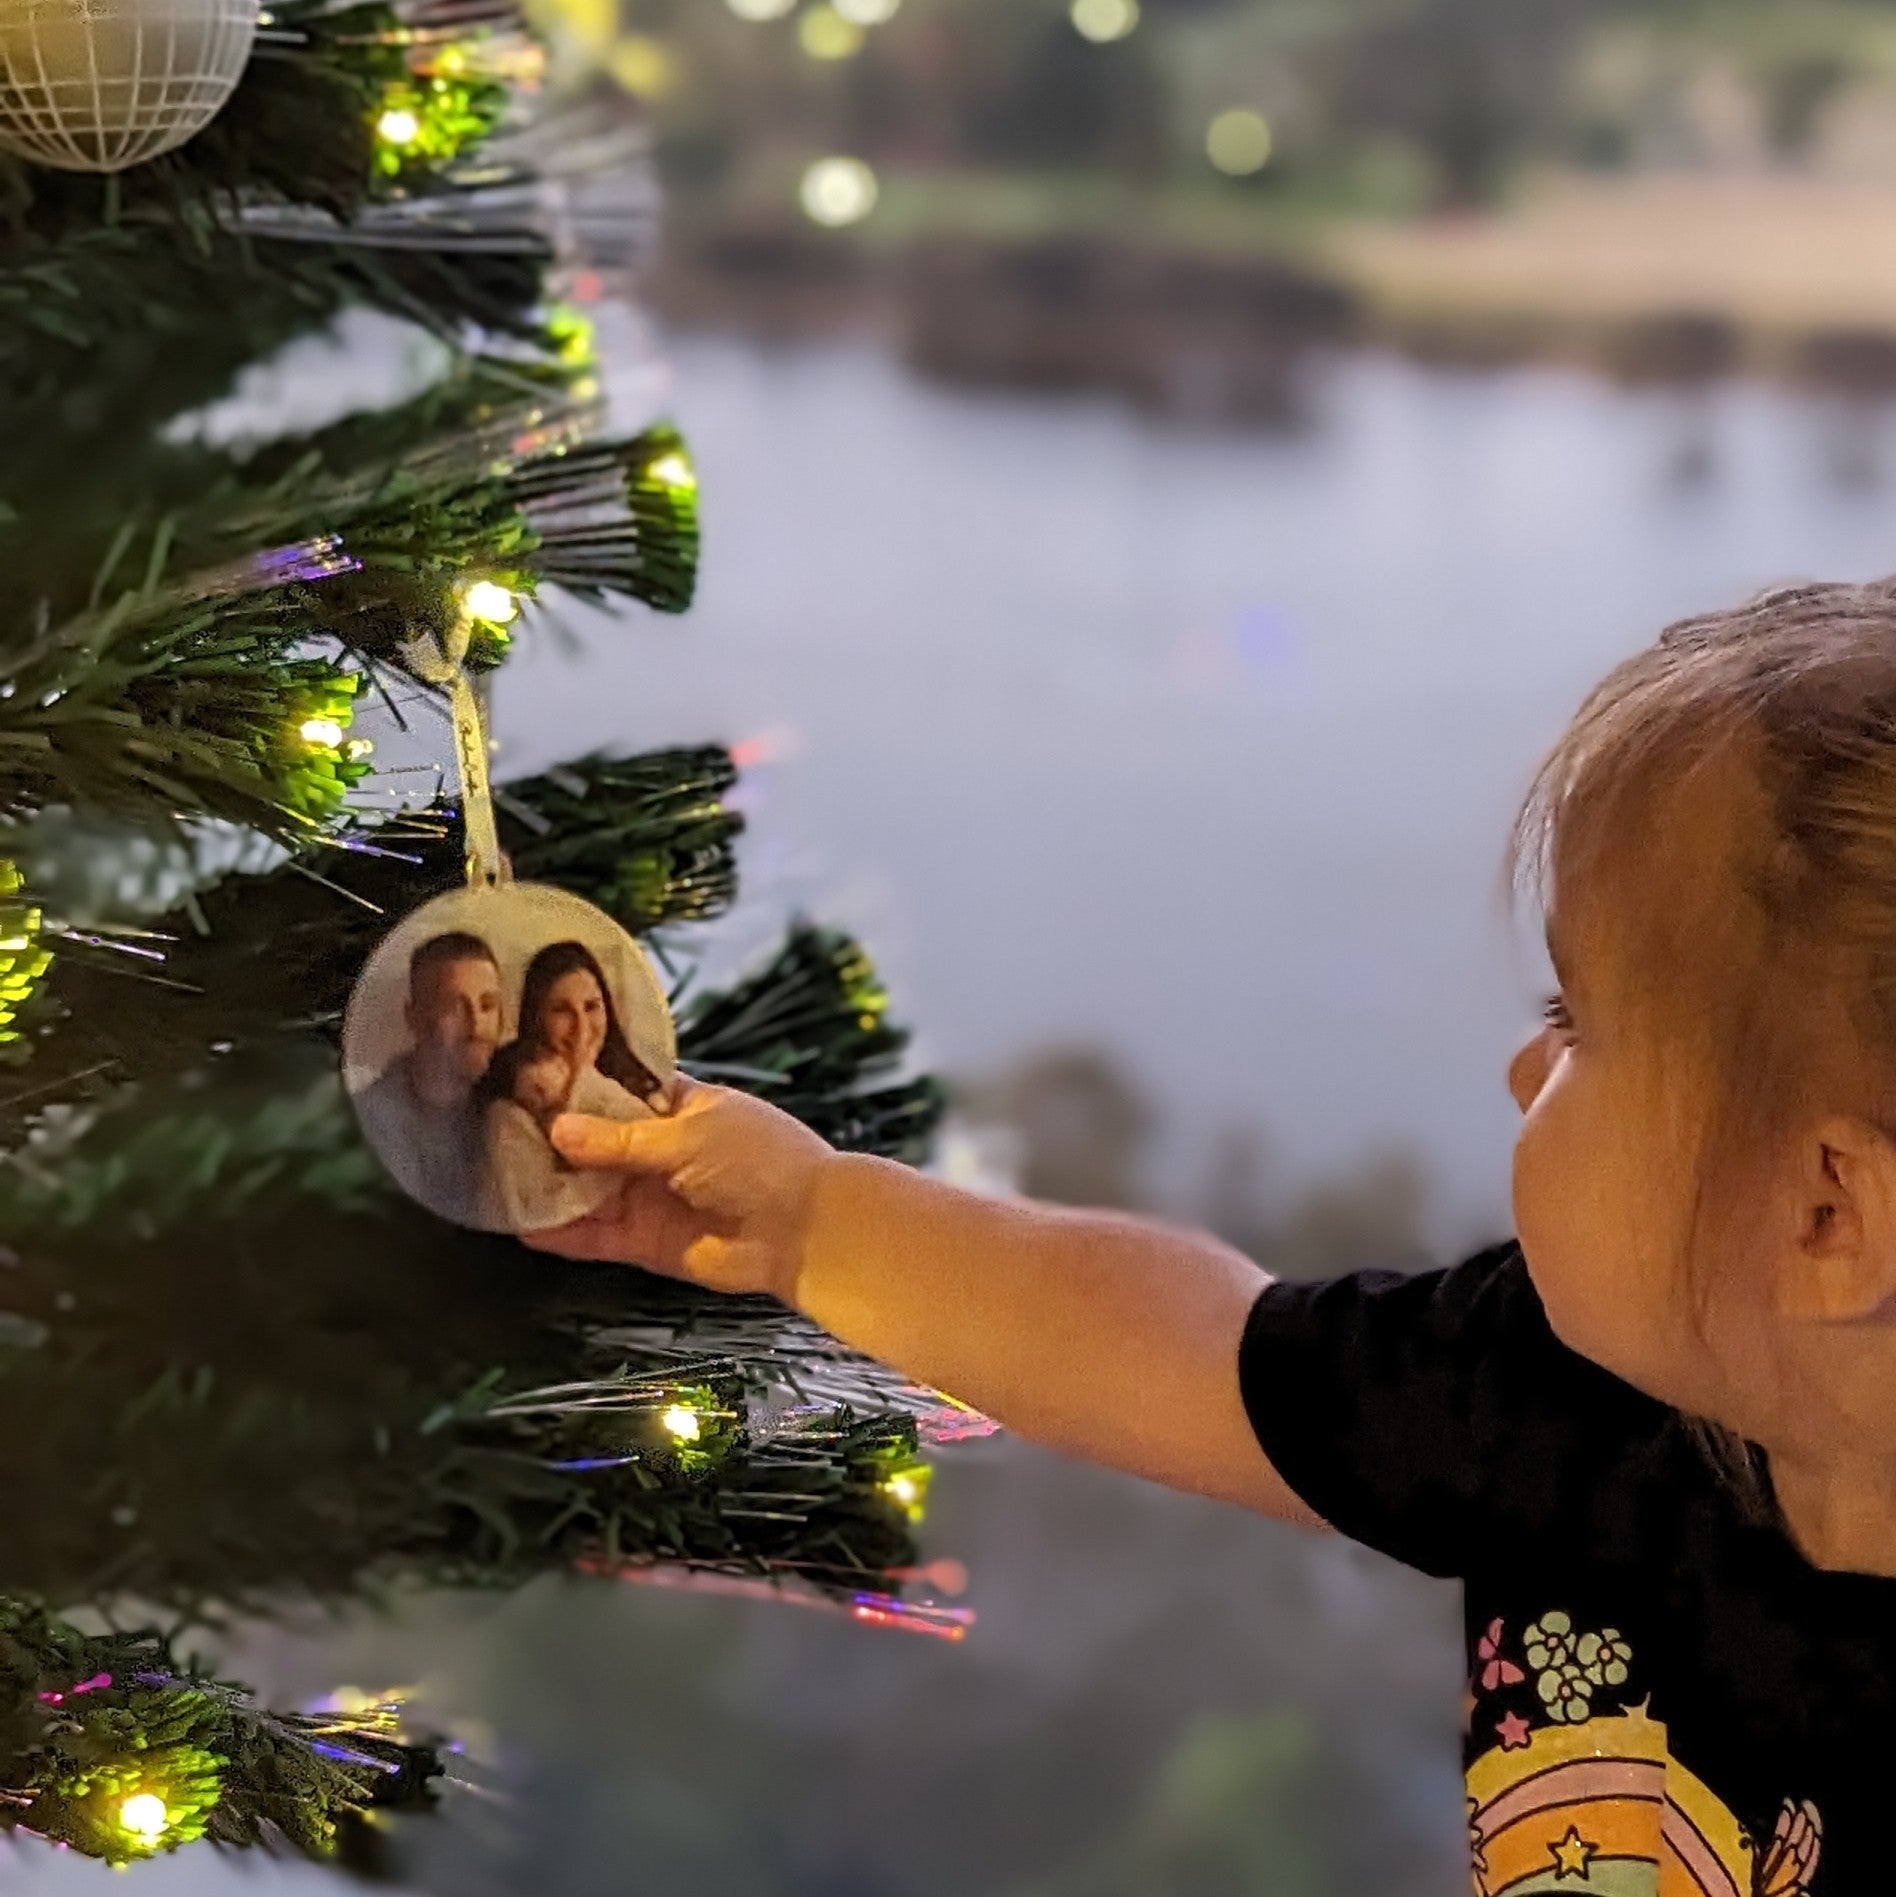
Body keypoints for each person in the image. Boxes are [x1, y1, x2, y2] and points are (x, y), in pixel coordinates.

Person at [525, 578, 1896, 1892]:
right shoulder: (1559, 1396)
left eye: (1581, 1027)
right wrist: (809, 1222)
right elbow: (1183, 1349)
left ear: (1825, 1211)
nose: (1525, 1072)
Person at [475, 939, 666, 1233]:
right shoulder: (509, 1113)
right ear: (537, 1019)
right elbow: (538, 1213)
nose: (582, 1026)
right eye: (561, 1010)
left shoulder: (640, 1086)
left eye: (591, 1006)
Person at [354, 930, 503, 1226]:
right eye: (454, 1007)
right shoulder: (366, 1128)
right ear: (415, 1018)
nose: (476, 1026)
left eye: (487, 1005)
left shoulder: (509, 1107)